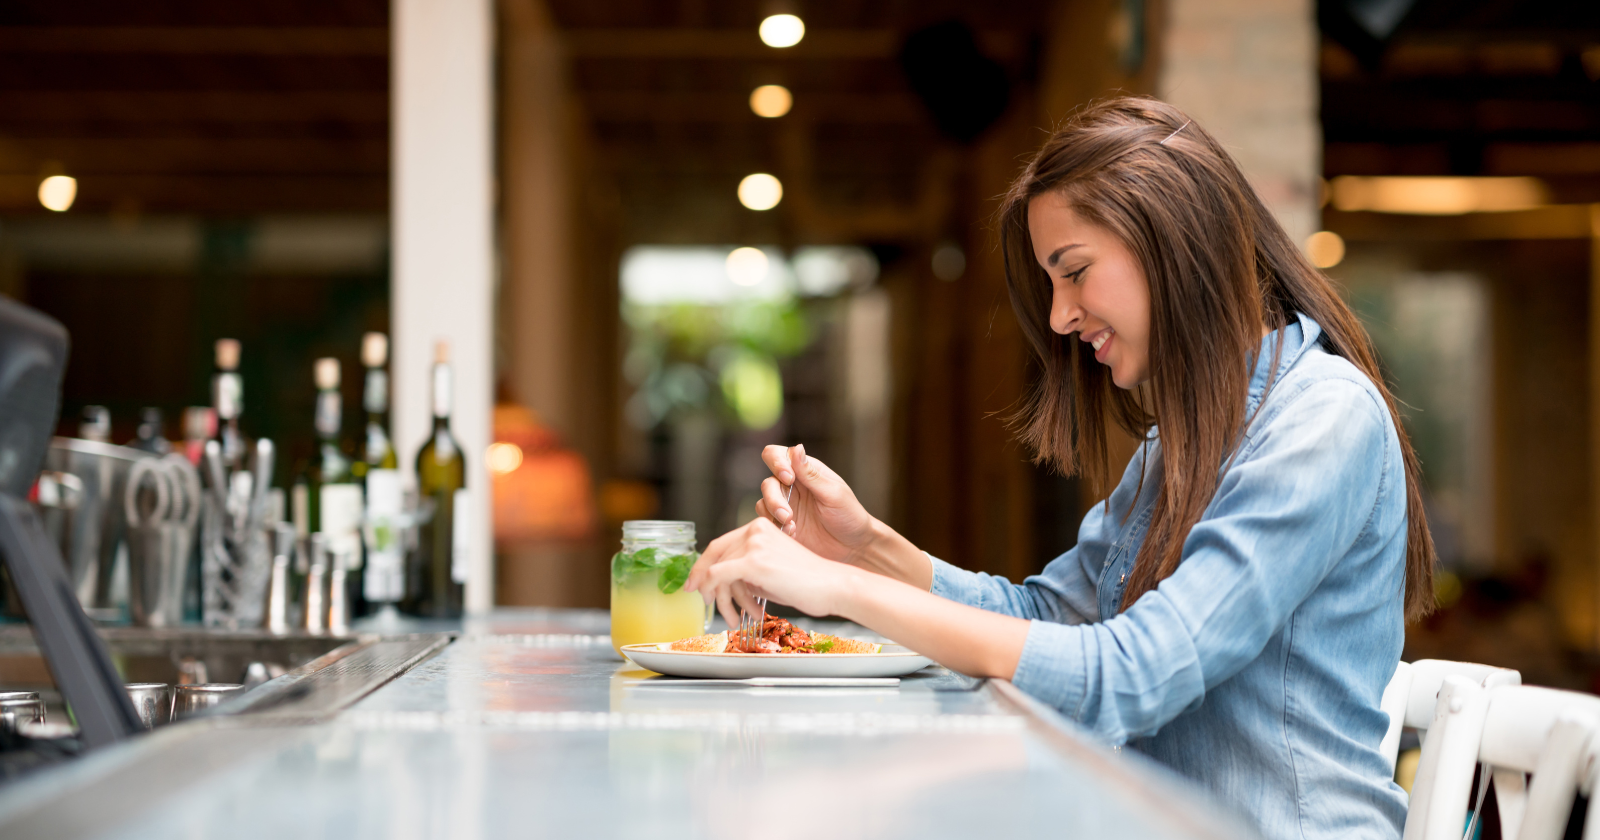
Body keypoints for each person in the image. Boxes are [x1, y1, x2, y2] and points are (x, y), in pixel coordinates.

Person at [685, 96, 1435, 840]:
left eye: (1073, 272)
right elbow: (1051, 619)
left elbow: (1131, 675)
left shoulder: (1321, 420)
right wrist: (866, 549)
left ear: (1170, 238)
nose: (1059, 318)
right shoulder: (1191, 435)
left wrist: (839, 590)